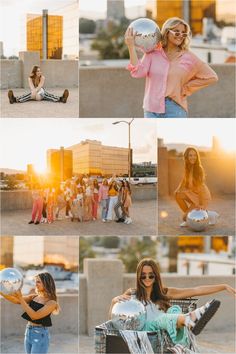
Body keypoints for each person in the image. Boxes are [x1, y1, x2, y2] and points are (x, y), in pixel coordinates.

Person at [109, 258, 235, 348]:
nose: (147, 278)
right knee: (161, 319)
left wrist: (223, 286)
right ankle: (190, 319)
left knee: (174, 310)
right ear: (138, 277)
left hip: (164, 335)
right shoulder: (132, 294)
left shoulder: (165, 293)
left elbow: (196, 290)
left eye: (150, 275)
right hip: (147, 333)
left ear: (156, 276)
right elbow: (113, 318)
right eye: (143, 276)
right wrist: (114, 301)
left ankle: (187, 324)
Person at [125, 17, 218, 118]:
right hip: (151, 109)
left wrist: (186, 88)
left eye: (183, 33)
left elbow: (212, 77)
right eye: (177, 32)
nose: (180, 36)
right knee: (153, 134)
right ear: (167, 32)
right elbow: (137, 73)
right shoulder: (152, 54)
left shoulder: (189, 57)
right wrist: (131, 46)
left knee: (174, 134)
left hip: (175, 108)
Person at [0, 272, 60, 354]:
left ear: (46, 283)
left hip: (40, 335)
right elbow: (16, 300)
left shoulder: (52, 303)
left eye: (38, 282)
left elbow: (34, 316)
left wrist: (20, 297)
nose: (36, 284)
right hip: (28, 331)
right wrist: (1, 291)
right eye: (35, 281)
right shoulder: (34, 297)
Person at [174, 147, 211, 227]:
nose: (193, 157)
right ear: (186, 157)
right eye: (190, 155)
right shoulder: (188, 168)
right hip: (193, 194)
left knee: (184, 217)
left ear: (197, 157)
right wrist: (177, 190)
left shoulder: (199, 169)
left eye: (195, 155)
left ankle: (208, 214)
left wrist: (201, 204)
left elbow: (201, 188)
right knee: (177, 195)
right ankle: (190, 216)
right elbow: (183, 181)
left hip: (202, 196)